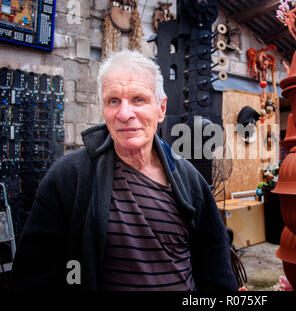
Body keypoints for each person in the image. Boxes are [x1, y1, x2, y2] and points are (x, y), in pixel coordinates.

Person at [12, 50, 238, 291]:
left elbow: (216, 270)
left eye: (138, 99)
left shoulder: (189, 180)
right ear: (103, 108)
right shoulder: (70, 177)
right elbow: (32, 275)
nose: (124, 114)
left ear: (161, 109)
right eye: (113, 101)